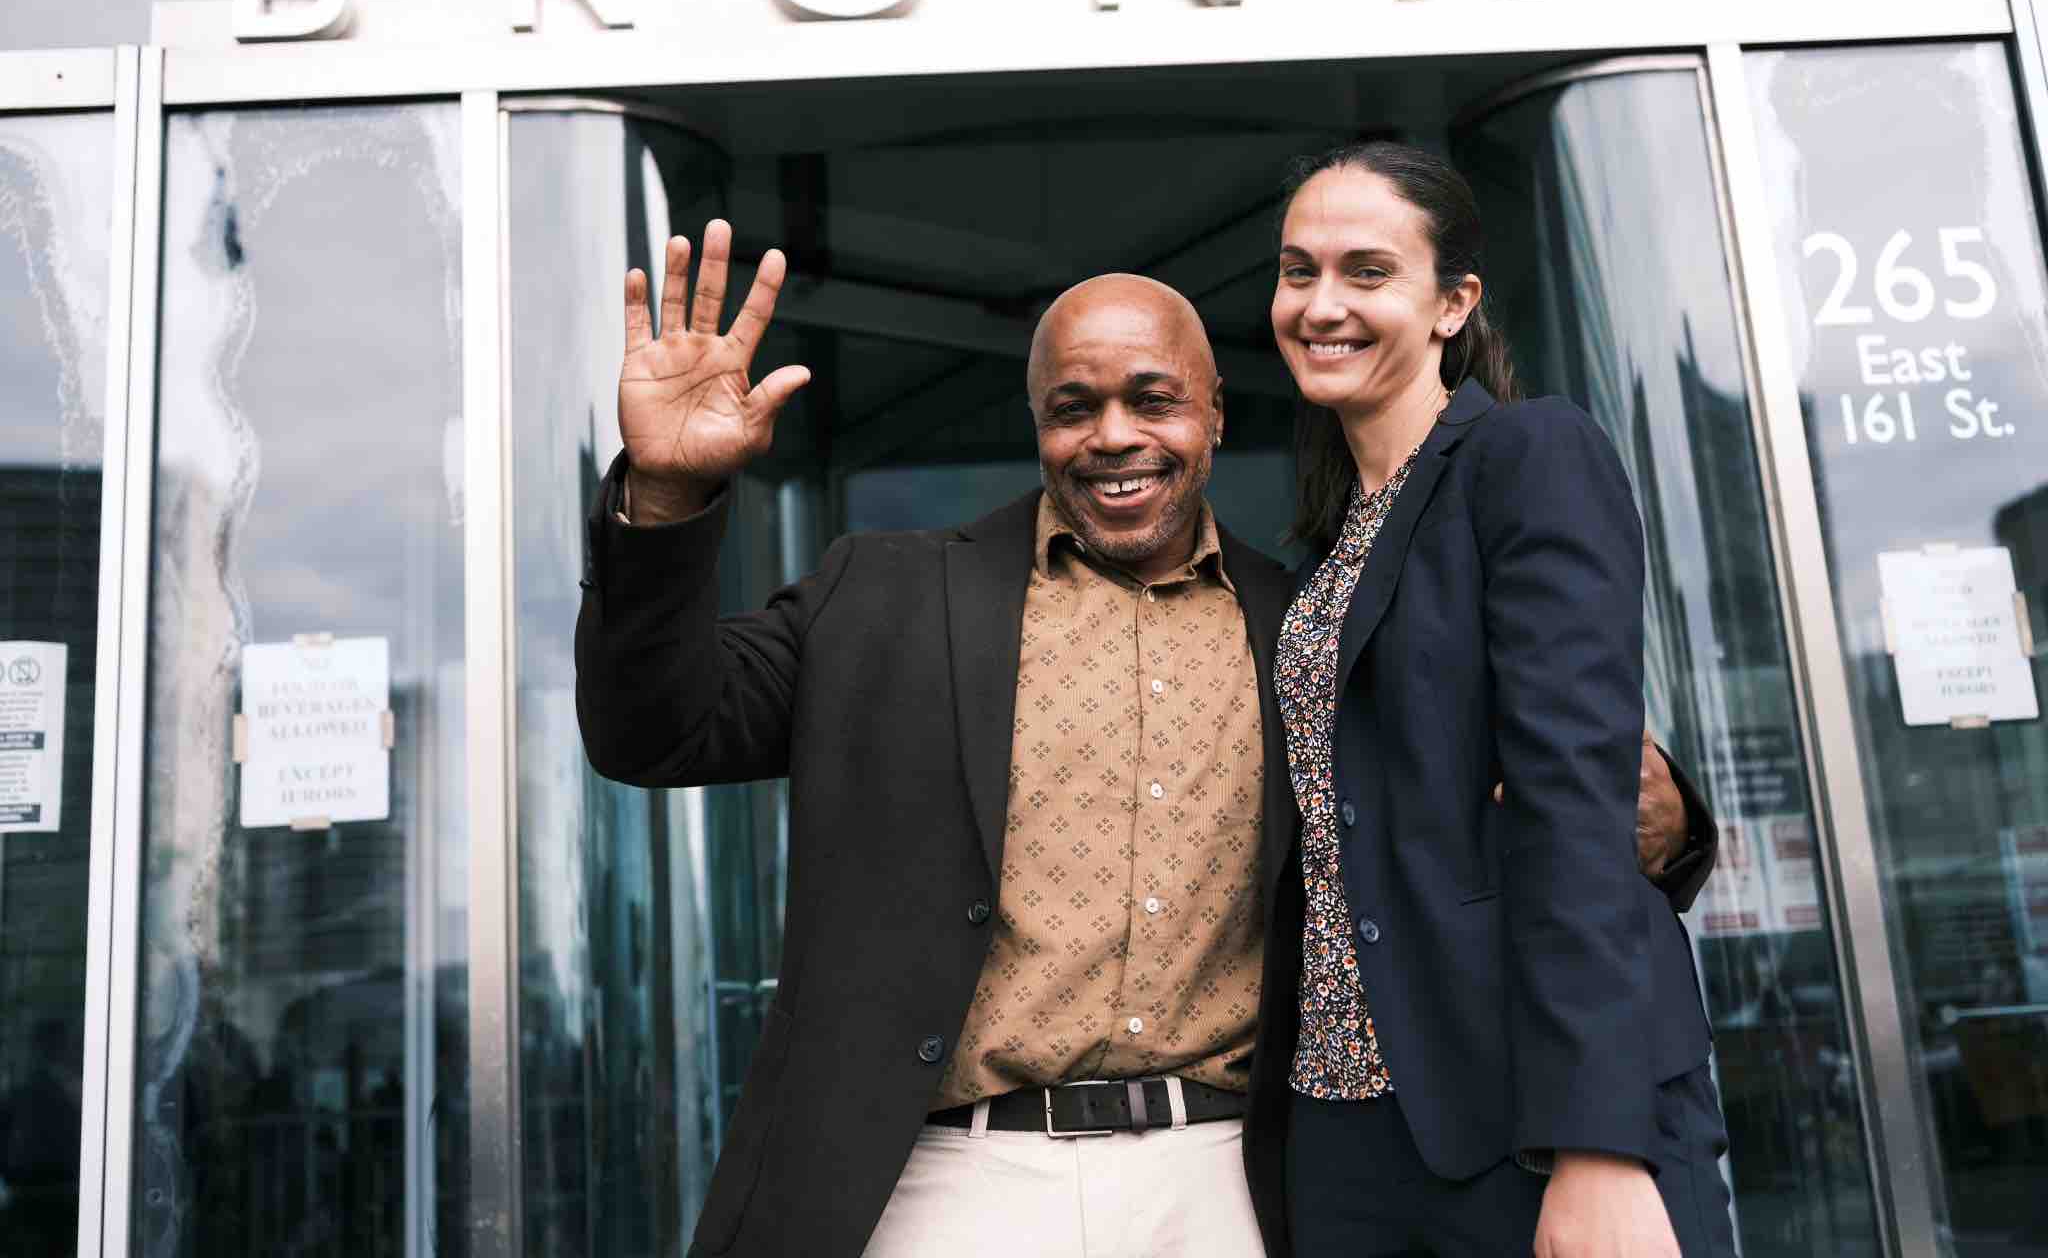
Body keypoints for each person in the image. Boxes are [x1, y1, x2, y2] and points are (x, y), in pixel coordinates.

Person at [574, 218, 1713, 1257]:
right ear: (1037, 427)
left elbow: (1463, 800)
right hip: (937, 1183)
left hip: (1227, 1182)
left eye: (1152, 399)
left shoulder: (1308, 628)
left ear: (1213, 416)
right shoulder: (879, 594)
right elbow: (652, 733)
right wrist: (666, 502)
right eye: (1074, 408)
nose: (1113, 437)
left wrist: (1659, 825)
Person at [1249, 141, 1733, 1258]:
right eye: (1296, 270)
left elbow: (1572, 802)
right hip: (1344, 1119)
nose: (1321, 304)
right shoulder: (1328, 550)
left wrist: (1595, 1145)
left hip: (1522, 1100)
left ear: (1450, 303)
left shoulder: (1523, 455)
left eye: (1367, 271)